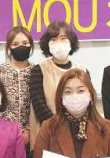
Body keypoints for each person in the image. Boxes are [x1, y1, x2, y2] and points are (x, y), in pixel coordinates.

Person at [28, 21, 86, 149]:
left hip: (78, 134)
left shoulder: (82, 71)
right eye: (53, 39)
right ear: (47, 44)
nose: (59, 43)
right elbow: (39, 105)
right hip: (48, 134)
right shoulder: (39, 70)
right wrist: (61, 128)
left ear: (71, 41)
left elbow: (89, 103)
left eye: (63, 38)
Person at [0, 26, 35, 147]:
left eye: (25, 43)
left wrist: (28, 129)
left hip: (32, 133)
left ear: (31, 45)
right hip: (4, 131)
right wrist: (13, 128)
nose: (21, 46)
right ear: (9, 47)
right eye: (15, 44)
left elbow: (37, 103)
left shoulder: (36, 71)